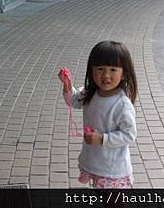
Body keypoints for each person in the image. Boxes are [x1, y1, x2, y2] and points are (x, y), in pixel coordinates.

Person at [58, 40, 138, 189]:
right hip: (94, 161)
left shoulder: (121, 104)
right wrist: (67, 85)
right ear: (91, 70)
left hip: (113, 169)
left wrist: (102, 138)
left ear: (124, 74)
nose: (106, 75)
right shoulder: (91, 92)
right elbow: (74, 101)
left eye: (113, 70)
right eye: (100, 69)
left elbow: (129, 134)